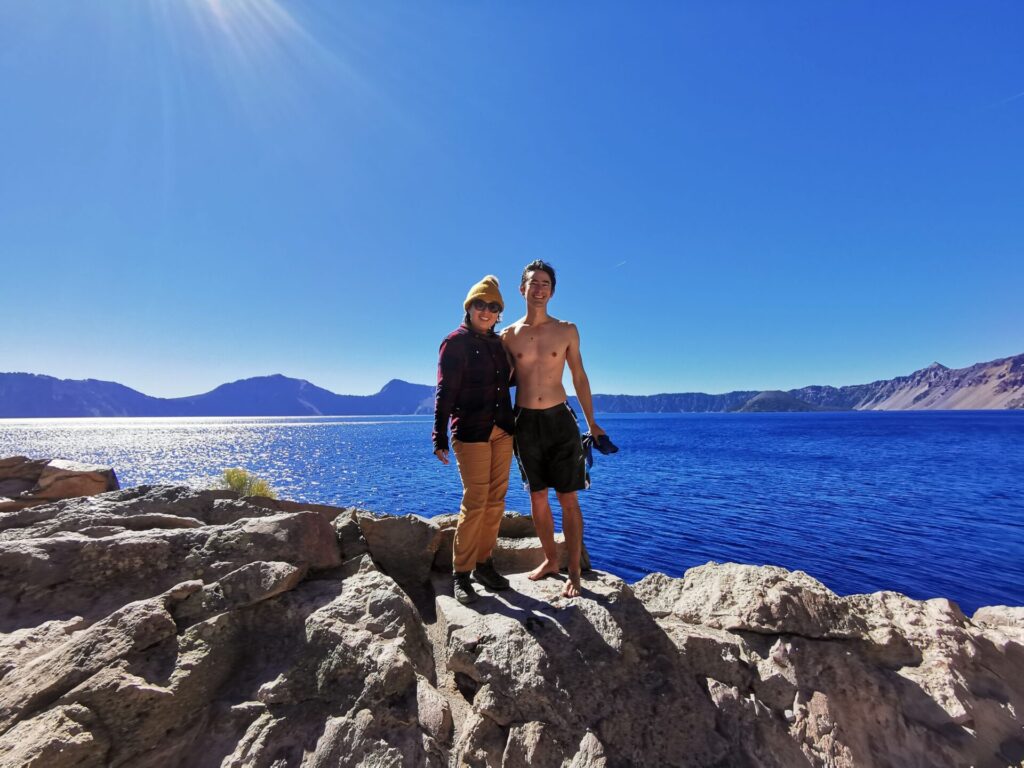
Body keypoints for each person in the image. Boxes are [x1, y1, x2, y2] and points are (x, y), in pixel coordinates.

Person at [501, 260, 606, 598]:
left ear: (552, 290)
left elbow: (579, 376)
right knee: (537, 496)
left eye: (545, 283)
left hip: (561, 420)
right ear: (522, 289)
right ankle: (550, 560)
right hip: (525, 421)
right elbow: (500, 384)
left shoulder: (567, 330)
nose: (539, 288)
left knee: (568, 498)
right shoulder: (508, 335)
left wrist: (593, 422)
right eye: (533, 282)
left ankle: (573, 572)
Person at [433, 275, 516, 605]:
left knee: (496, 501)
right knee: (476, 501)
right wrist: (439, 434)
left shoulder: (498, 345)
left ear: (499, 313)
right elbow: (445, 391)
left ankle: (484, 563)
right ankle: (462, 573)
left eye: (493, 306)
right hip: (471, 431)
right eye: (480, 304)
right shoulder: (454, 342)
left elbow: (509, 382)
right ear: (469, 308)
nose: (486, 311)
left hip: (502, 430)